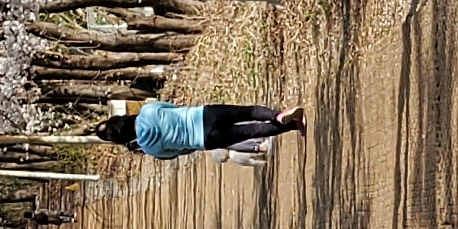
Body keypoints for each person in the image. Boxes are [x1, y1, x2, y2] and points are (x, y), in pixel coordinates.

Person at [93, 101, 306, 158]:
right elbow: (172, 108)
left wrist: (188, 144)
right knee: (247, 112)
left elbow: (177, 153)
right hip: (202, 114)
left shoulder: (149, 148)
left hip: (203, 139)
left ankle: (292, 126)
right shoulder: (148, 110)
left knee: (252, 131)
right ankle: (278, 115)